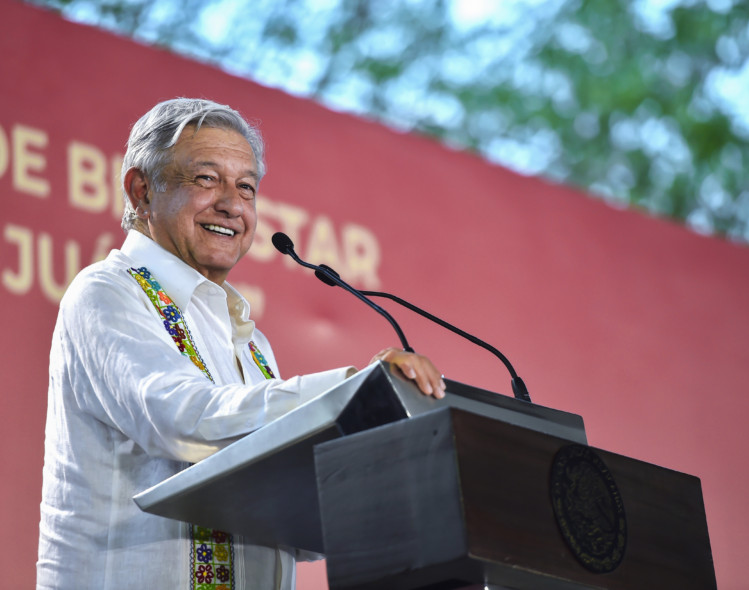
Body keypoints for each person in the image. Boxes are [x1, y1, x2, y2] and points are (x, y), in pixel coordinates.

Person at [37, 98, 445, 589]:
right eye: (206, 179)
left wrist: (377, 479)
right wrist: (354, 392)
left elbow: (296, 526)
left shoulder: (251, 346)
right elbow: (184, 421)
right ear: (141, 191)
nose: (232, 204)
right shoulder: (108, 291)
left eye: (246, 187)